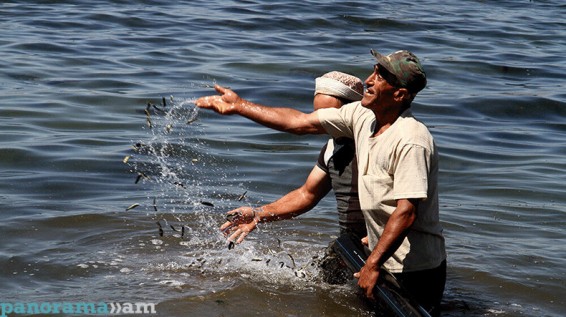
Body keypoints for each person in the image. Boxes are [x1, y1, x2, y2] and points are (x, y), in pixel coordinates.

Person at [196, 49, 447, 316]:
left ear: (400, 95)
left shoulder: (411, 140)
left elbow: (406, 212)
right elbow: (299, 123)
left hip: (416, 269)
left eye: (381, 76)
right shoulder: (362, 118)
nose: (369, 80)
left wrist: (372, 266)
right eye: (373, 71)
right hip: (376, 256)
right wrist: (240, 106)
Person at [219, 71, 367, 284]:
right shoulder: (332, 148)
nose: (320, 121)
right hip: (350, 244)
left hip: (384, 245)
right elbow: (307, 194)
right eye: (317, 114)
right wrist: (259, 214)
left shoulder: (375, 143)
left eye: (327, 116)